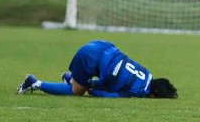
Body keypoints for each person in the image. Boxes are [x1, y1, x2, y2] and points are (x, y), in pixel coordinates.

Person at [16, 40, 178, 98]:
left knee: (92, 80)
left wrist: (94, 85)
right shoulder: (139, 91)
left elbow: (115, 79)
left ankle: (72, 78)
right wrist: (93, 91)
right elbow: (113, 95)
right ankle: (35, 83)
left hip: (103, 45)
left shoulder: (146, 73)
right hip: (91, 58)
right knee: (77, 91)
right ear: (153, 95)